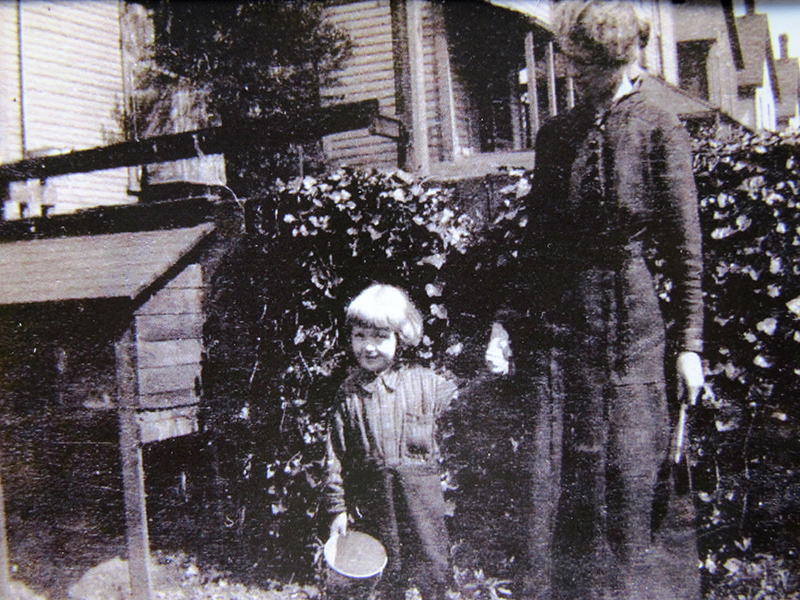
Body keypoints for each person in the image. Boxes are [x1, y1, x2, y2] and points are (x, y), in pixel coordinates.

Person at [485, 2, 705, 599]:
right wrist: (505, 324)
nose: (575, 73)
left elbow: (687, 254)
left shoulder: (662, 129)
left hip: (634, 327)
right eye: (571, 60)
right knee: (567, 476)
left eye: (590, 64)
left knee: (633, 471)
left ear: (623, 59)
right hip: (565, 330)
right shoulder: (556, 138)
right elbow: (537, 245)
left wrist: (691, 346)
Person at [325, 283, 458, 600]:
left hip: (422, 501)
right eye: (360, 336)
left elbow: (466, 407)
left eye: (380, 337)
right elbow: (335, 457)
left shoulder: (426, 382)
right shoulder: (348, 393)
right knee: (386, 576)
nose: (368, 347)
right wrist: (337, 509)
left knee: (433, 574)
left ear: (402, 337)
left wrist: (495, 376)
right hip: (375, 499)